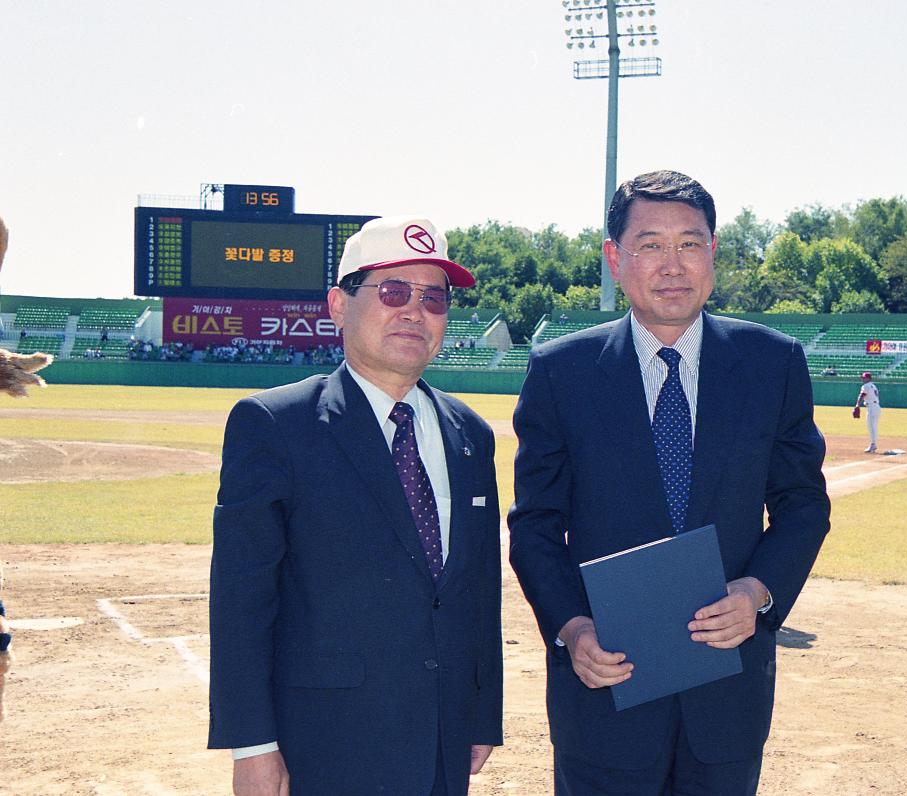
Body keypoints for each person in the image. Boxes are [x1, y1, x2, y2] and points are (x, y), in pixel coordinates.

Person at [508, 170, 830, 795]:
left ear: (714, 253)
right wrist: (572, 628)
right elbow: (536, 526)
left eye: (690, 242)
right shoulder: (560, 372)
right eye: (651, 243)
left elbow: (803, 507)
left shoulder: (773, 363)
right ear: (614, 258)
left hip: (727, 689)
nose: (673, 263)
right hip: (606, 688)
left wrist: (759, 593)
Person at [208, 216, 503, 795]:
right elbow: (242, 600)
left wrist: (481, 709)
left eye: (434, 298)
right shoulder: (275, 424)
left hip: (442, 743)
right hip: (322, 746)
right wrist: (253, 747)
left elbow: (476, 589)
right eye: (393, 292)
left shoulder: (470, 432)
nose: (414, 311)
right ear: (339, 305)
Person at [856, 371, 881, 453]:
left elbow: (862, 395)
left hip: (871, 407)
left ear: (869, 378)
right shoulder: (873, 386)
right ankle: (873, 444)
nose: (863, 379)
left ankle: (873, 445)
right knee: (874, 427)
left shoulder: (866, 386)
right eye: (862, 377)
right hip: (876, 407)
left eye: (864, 377)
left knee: (871, 427)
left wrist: (857, 405)